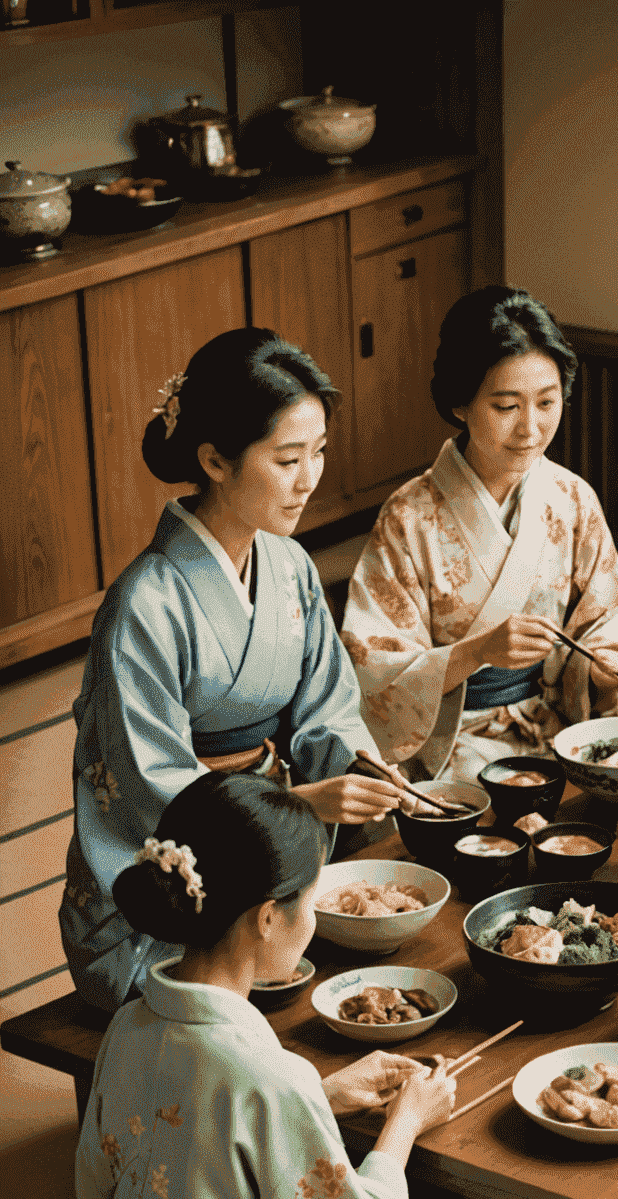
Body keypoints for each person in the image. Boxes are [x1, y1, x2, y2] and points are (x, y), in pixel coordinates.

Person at [77, 772, 531, 1199]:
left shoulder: (130, 1026)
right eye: (309, 901)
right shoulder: (267, 1078)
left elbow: (116, 1189)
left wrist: (317, 1093)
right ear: (266, 916)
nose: (311, 918)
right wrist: (401, 1128)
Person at [60, 329, 403, 1013]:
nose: (310, 479)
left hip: (271, 860)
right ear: (214, 459)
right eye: (287, 459)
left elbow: (326, 706)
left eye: (319, 453)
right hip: (168, 894)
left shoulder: (290, 566)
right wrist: (297, 806)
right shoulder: (143, 605)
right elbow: (145, 779)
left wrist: (356, 767)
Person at [341, 286, 618, 781]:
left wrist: (604, 664)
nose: (531, 428)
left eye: (547, 402)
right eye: (506, 407)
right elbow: (374, 668)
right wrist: (475, 653)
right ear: (460, 403)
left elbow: (607, 612)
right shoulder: (408, 518)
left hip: (559, 730)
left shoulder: (570, 498)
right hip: (451, 742)